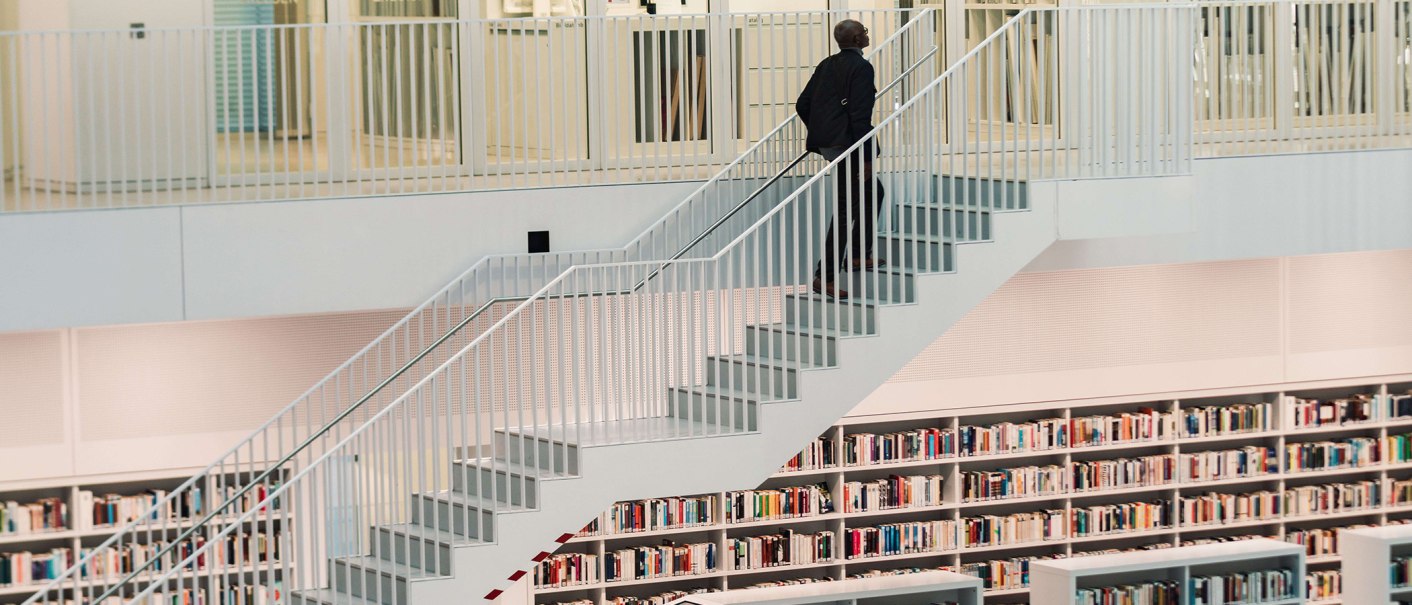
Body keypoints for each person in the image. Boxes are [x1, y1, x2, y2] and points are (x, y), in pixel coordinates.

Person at [795, 19, 885, 300]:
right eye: (865, 32)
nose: (866, 36)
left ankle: (858, 255)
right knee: (846, 210)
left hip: (833, 145)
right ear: (858, 39)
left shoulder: (827, 64)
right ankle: (826, 276)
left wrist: (824, 133)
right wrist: (867, 158)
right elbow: (860, 117)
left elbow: (802, 104)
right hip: (850, 147)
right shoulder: (861, 68)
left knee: (874, 192)